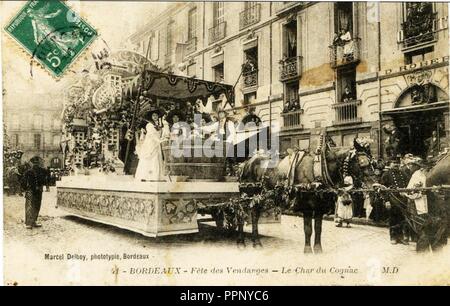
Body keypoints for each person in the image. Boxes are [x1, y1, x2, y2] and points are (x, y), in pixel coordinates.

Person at [135, 108, 169, 181]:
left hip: (156, 143)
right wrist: (159, 141)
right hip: (150, 143)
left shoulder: (159, 125)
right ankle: (146, 176)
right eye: (153, 115)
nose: (155, 117)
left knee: (157, 158)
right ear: (151, 117)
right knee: (150, 158)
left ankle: (156, 176)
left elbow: (160, 134)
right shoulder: (149, 125)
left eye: (156, 115)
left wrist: (162, 139)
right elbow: (152, 135)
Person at [22, 156, 47, 229]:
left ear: (32, 163)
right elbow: (45, 181)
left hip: (30, 191)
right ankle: (33, 221)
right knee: (37, 205)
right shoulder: (43, 170)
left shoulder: (28, 171)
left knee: (30, 206)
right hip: (39, 190)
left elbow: (23, 182)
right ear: (39, 163)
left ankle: (29, 223)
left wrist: (25, 189)